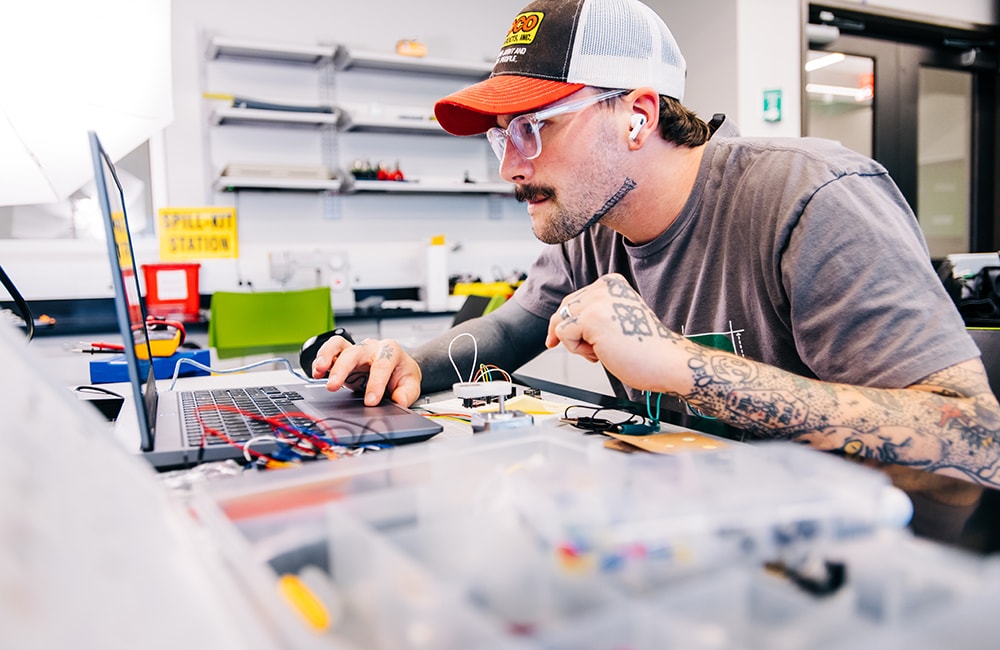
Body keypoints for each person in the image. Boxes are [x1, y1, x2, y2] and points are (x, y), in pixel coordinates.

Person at [313, 0, 1000, 488]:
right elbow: (512, 329)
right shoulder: (594, 223)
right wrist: (409, 361)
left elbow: (978, 437)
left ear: (638, 117)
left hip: (870, 573)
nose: (510, 167)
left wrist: (683, 366)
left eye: (534, 128)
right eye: (501, 136)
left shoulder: (813, 198)